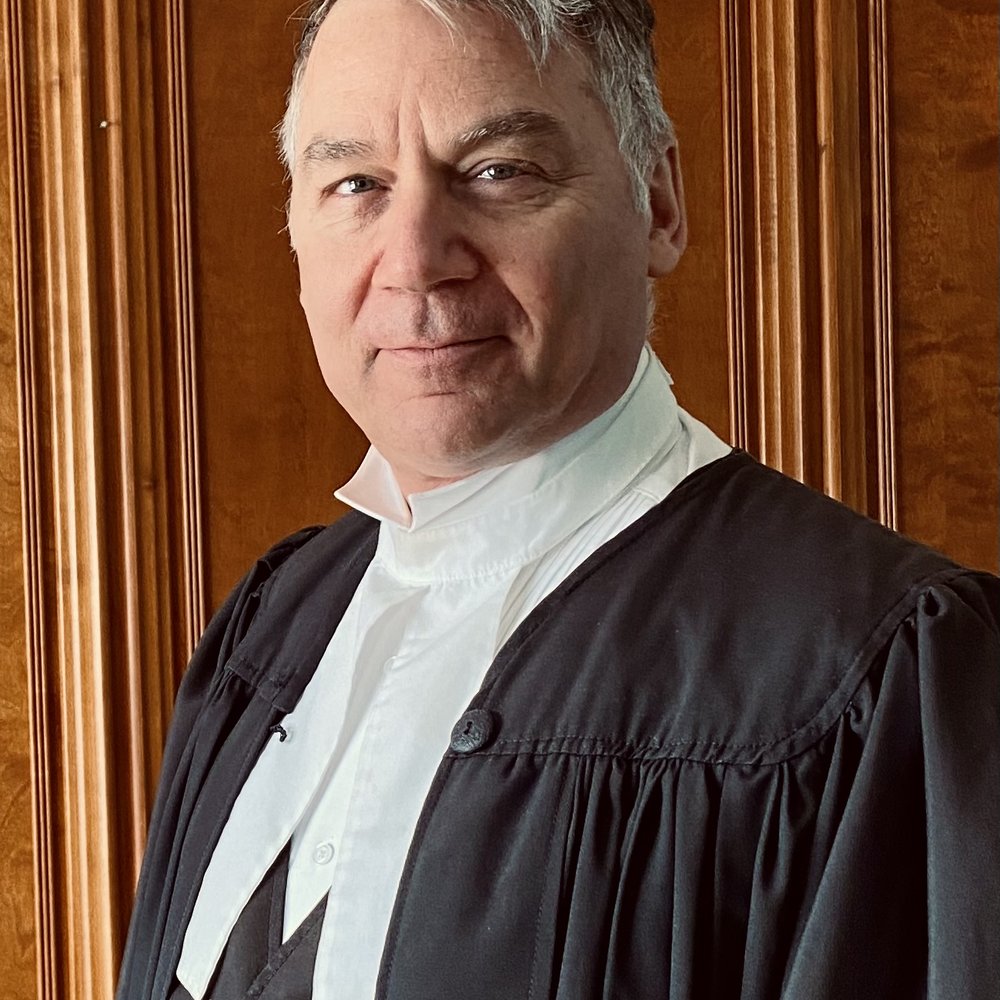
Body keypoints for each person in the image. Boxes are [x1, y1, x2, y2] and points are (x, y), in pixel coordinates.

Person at [116, 0, 1000, 997]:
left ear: (657, 203)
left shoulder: (865, 674)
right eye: (356, 183)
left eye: (499, 171)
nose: (415, 261)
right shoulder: (274, 627)